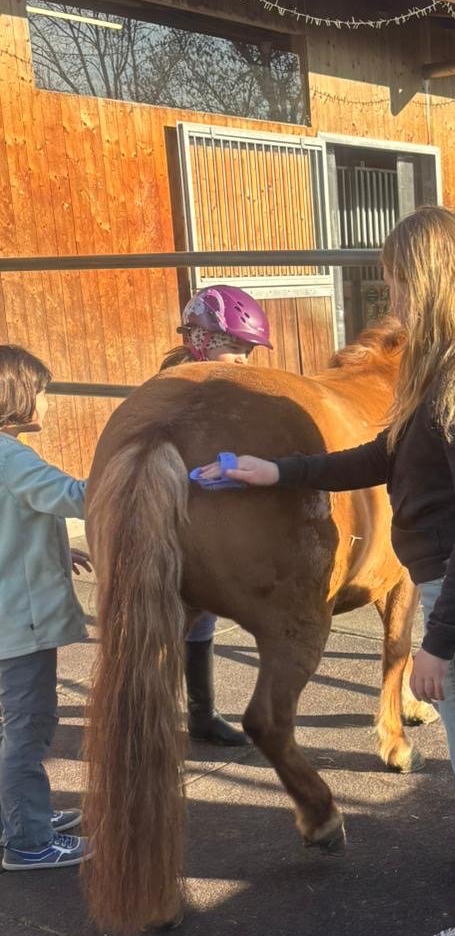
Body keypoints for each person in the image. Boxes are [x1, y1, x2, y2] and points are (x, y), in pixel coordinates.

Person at [194, 206, 455, 936]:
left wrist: (437, 641)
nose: (391, 300)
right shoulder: (448, 364)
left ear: (429, 278)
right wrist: (274, 471)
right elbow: (383, 457)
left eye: (396, 283)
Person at [162, 285, 274, 745]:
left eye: (248, 350)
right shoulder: (179, 388)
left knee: (202, 617)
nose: (244, 359)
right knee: (167, 617)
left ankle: (201, 714)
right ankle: (150, 713)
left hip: (205, 522)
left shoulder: (230, 387)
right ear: (202, 341)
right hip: (170, 522)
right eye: (234, 348)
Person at [0, 345, 93, 870]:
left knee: (10, 727)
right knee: (28, 728)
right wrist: (144, 469)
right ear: (16, 396)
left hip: (7, 616)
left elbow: (12, 522)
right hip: (19, 626)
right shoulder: (10, 456)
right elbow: (75, 495)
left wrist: (57, 548)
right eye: (42, 392)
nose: (47, 403)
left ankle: (17, 817)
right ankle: (29, 842)